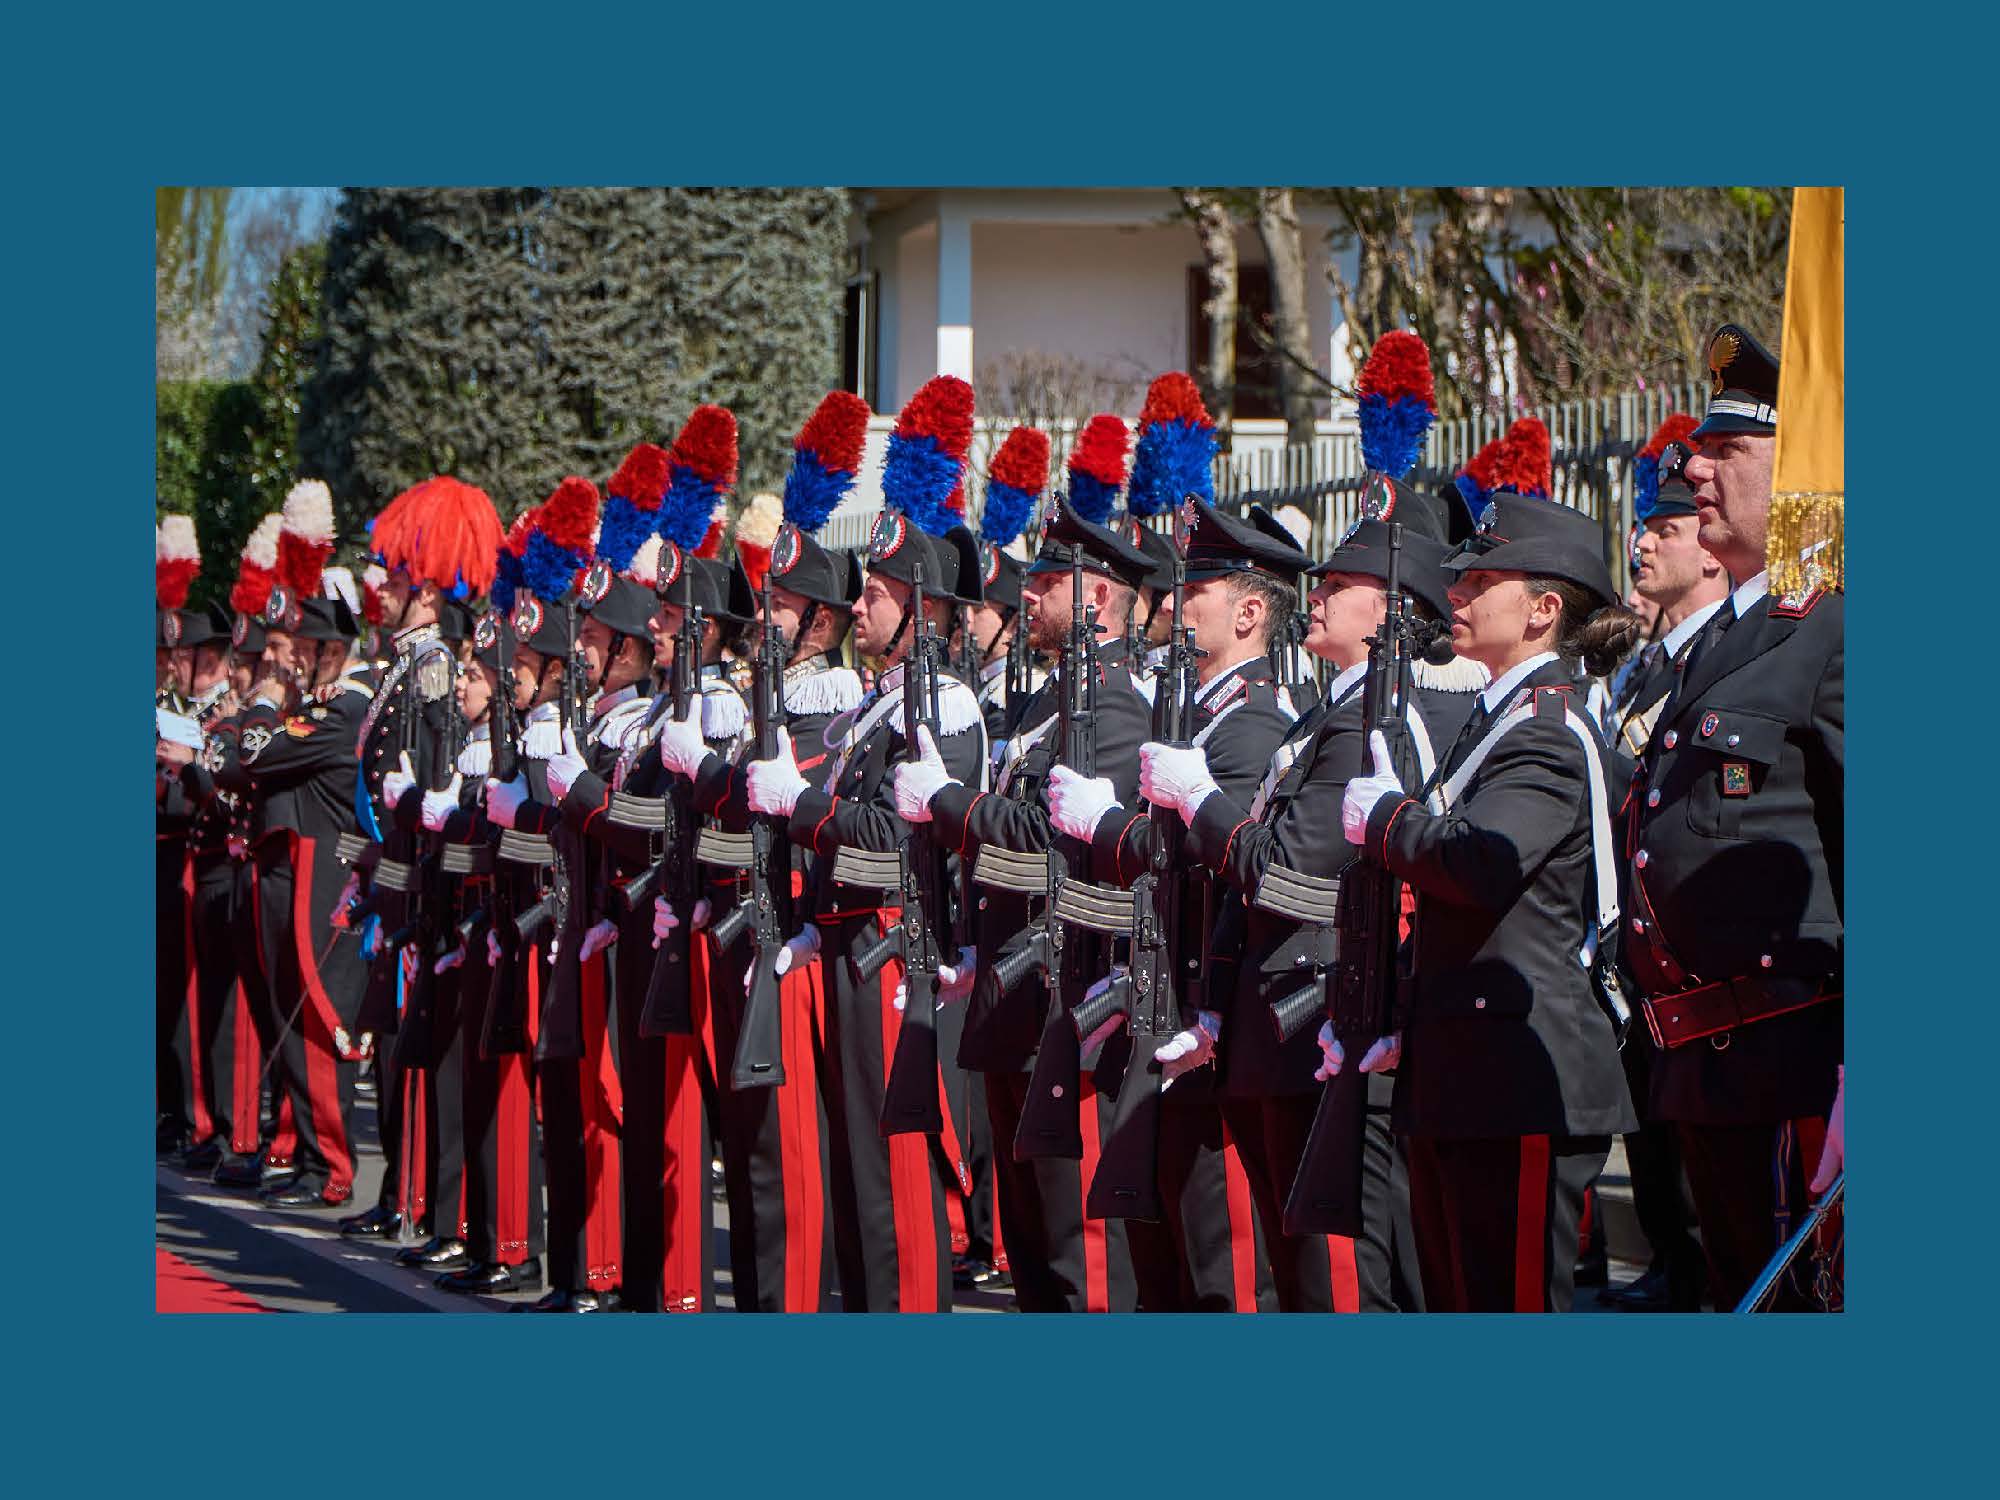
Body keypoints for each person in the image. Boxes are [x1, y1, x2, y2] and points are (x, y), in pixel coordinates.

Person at [1128, 479, 1481, 1310]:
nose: (1314, 595)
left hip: (1321, 1019)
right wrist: (1216, 1005)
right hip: (1276, 1022)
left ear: (1394, 609)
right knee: (1301, 1282)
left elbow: (1289, 872)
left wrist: (1198, 800)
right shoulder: (1325, 718)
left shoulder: (1370, 724)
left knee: (1336, 1289)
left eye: (1340, 584)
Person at [1339, 489, 1640, 1311]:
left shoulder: (1544, 728)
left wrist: (1388, 820)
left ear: (1544, 610)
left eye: (1481, 582)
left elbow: (1479, 865)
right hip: (1467, 1066)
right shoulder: (1500, 716)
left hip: (1517, 1074)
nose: (1457, 593)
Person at [1046, 497, 1324, 1310]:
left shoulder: (1254, 724)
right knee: (1161, 1261)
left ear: (1248, 614)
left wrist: (1108, 827)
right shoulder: (1197, 716)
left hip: (1206, 1011)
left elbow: (1212, 862)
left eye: (1196, 591)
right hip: (1161, 1002)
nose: (1174, 603)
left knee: (1218, 1268)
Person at [1624, 324, 1844, 1312]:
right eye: (1698, 450)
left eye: (1727, 450)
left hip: (1799, 1068)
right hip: (1708, 1068)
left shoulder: (1831, 626)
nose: (1694, 470)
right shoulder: (1724, 636)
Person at [743, 504, 988, 1312]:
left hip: (896, 951)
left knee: (896, 1183)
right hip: (850, 944)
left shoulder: (944, 706)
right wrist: (816, 919)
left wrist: (801, 803)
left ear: (923, 608)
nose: (858, 605)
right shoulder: (881, 708)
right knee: (855, 1178)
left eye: (876, 594)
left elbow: (892, 838)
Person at [915, 499, 1155, 1312]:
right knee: (1030, 1248)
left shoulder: (1116, 702)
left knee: (1076, 1248)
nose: (1028, 593)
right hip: (1014, 988)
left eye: (1048, 580)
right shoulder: (1045, 699)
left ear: (1096, 596)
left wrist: (950, 804)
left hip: (1066, 996)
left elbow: (1062, 838)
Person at [343, 475, 503, 1243]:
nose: (381, 588)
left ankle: (413, 1198)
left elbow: (436, 773)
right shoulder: (405, 665)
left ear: (429, 594)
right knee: (390, 1038)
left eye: (396, 578)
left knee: (411, 1041)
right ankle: (399, 1193)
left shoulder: (433, 666)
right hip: (392, 874)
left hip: (418, 879)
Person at [1597, 433, 1727, 1312]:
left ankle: (1699, 1264)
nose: (1643, 543)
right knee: (1649, 1118)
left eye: (1665, 529)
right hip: (1639, 944)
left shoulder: (1726, 652)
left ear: (1709, 551)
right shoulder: (1648, 663)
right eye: (1644, 528)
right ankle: (1672, 1257)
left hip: (1700, 948)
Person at [231, 483, 374, 1210]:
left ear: (332, 651)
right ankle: (305, 1152)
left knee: (317, 1020)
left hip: (322, 875)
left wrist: (262, 701)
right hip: (292, 867)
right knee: (288, 1015)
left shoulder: (341, 709)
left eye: (304, 650)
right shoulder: (315, 706)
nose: (289, 663)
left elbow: (252, 754)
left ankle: (332, 1167)